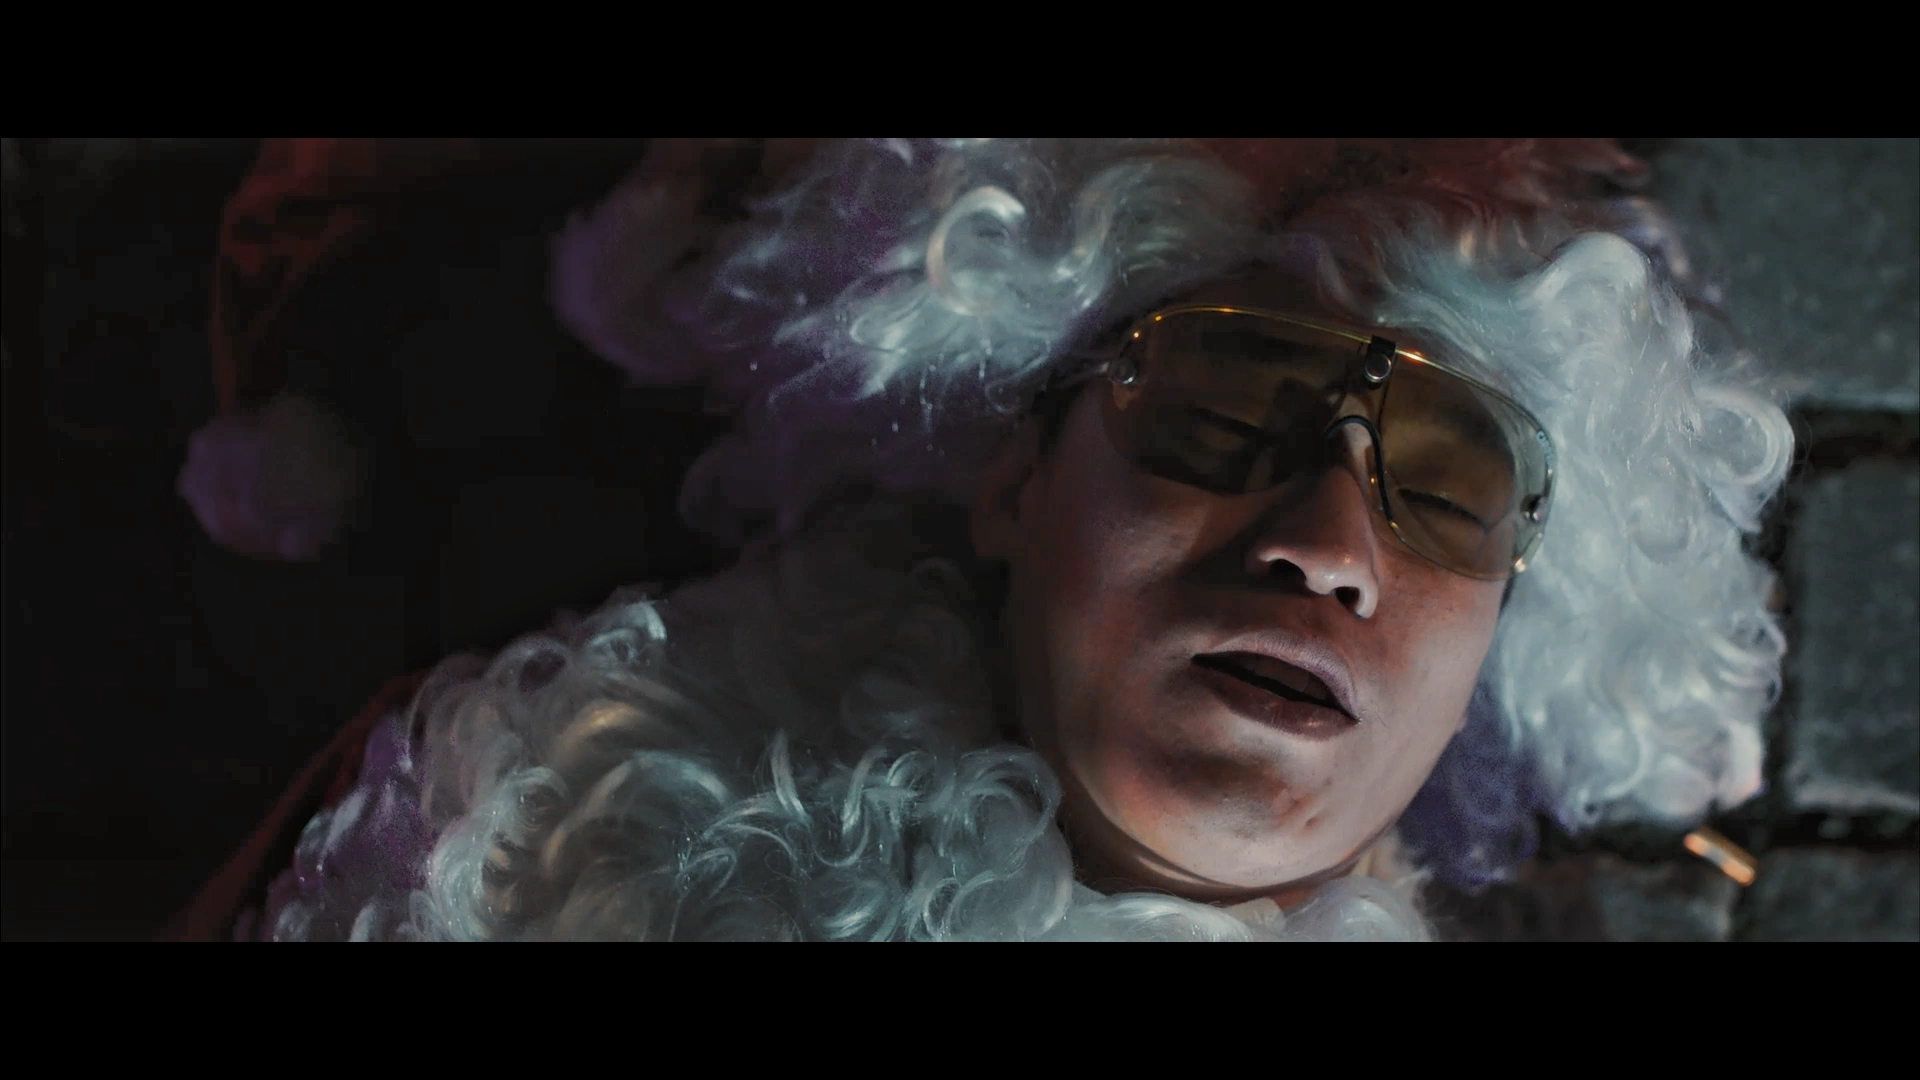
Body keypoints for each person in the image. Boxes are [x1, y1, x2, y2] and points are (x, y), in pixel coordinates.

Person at [175, 138, 1794, 941]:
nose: (1328, 541)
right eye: (1226, 405)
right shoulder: (486, 839)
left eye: (1448, 478)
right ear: (1015, 478)